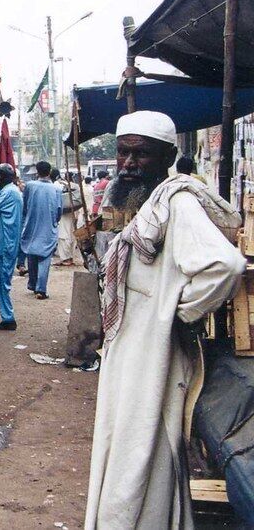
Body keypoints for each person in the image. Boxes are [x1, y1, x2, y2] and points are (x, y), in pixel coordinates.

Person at [86, 111, 244, 530]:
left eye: (141, 154)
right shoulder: (144, 204)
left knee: (138, 457)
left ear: (169, 156)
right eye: (123, 153)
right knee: (132, 450)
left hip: (153, 351)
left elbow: (225, 266)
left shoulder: (178, 201)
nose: (128, 164)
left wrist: (177, 312)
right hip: (129, 348)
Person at [0, 164, 23, 330]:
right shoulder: (11, 189)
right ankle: (7, 316)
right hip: (6, 242)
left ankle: (8, 318)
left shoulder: (9, 192)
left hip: (4, 243)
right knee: (0, 279)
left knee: (3, 282)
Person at [20, 161, 61, 299]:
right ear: (49, 172)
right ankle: (41, 289)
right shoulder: (57, 189)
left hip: (31, 223)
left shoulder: (30, 186)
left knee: (31, 252)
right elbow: (59, 210)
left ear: (37, 171)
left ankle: (32, 283)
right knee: (45, 256)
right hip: (49, 225)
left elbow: (24, 205)